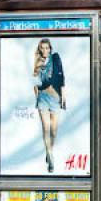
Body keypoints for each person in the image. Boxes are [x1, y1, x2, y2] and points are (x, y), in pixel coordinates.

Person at [33, 39, 65, 173]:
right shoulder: (38, 63)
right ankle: (50, 156)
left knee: (54, 130)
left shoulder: (56, 59)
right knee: (46, 128)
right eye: (42, 48)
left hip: (55, 96)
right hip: (43, 98)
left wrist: (63, 97)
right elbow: (34, 83)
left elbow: (62, 78)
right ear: (40, 50)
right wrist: (37, 97)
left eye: (47, 48)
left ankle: (49, 150)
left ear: (50, 48)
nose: (45, 50)